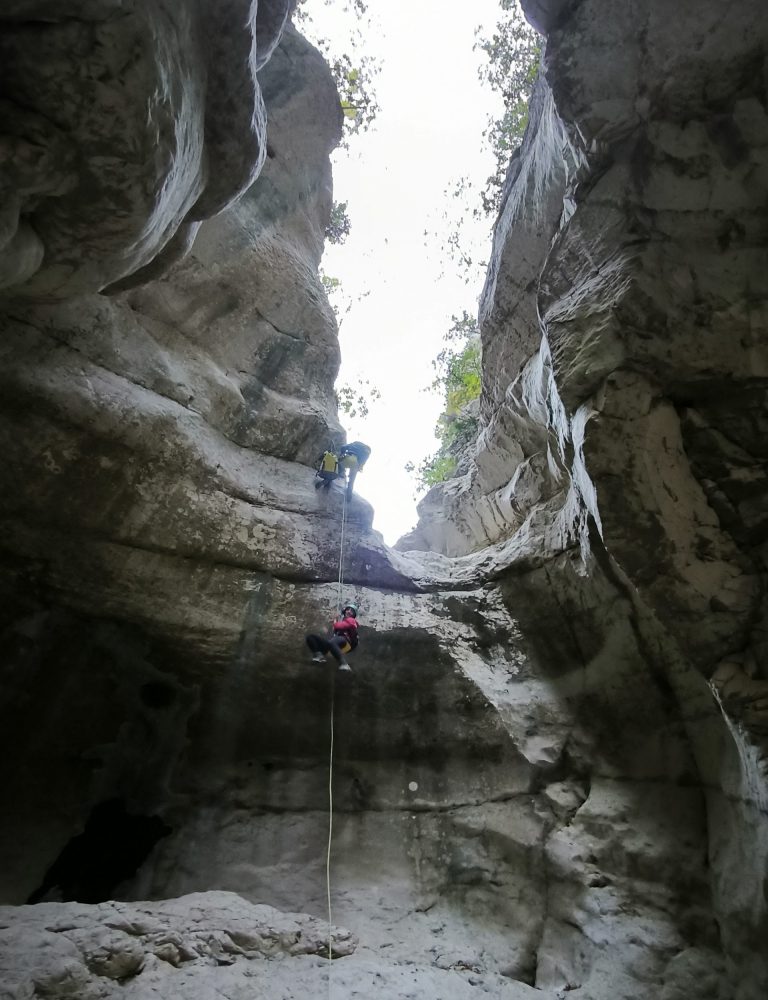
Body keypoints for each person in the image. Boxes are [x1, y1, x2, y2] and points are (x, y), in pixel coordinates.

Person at [306, 603, 359, 672]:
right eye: (347, 609)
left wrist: (335, 622)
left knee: (332, 642)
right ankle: (319, 656)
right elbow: (335, 630)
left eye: (351, 611)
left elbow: (339, 626)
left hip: (346, 642)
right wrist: (335, 621)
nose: (348, 611)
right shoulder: (342, 621)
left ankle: (344, 664)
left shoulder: (352, 620)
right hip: (334, 643)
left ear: (353, 615)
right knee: (311, 637)